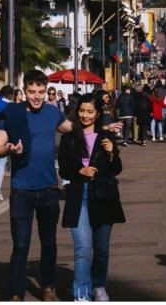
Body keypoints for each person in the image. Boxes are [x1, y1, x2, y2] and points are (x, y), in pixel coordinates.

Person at [0, 70, 123, 301]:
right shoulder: (12, 114)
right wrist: (9, 149)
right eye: (32, 92)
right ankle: (15, 293)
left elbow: (77, 129)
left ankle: (49, 287)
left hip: (49, 189)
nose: (37, 96)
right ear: (24, 91)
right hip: (22, 190)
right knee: (21, 244)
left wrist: (104, 128)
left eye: (41, 92)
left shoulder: (53, 113)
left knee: (49, 243)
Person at [58, 93, 126, 301]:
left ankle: (99, 285)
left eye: (90, 112)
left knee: (102, 248)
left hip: (104, 195)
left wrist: (112, 152)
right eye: (81, 111)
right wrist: (80, 170)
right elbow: (64, 170)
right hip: (79, 196)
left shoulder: (107, 137)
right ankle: (82, 293)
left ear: (97, 114)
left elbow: (116, 169)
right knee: (83, 249)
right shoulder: (69, 138)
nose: (85, 115)